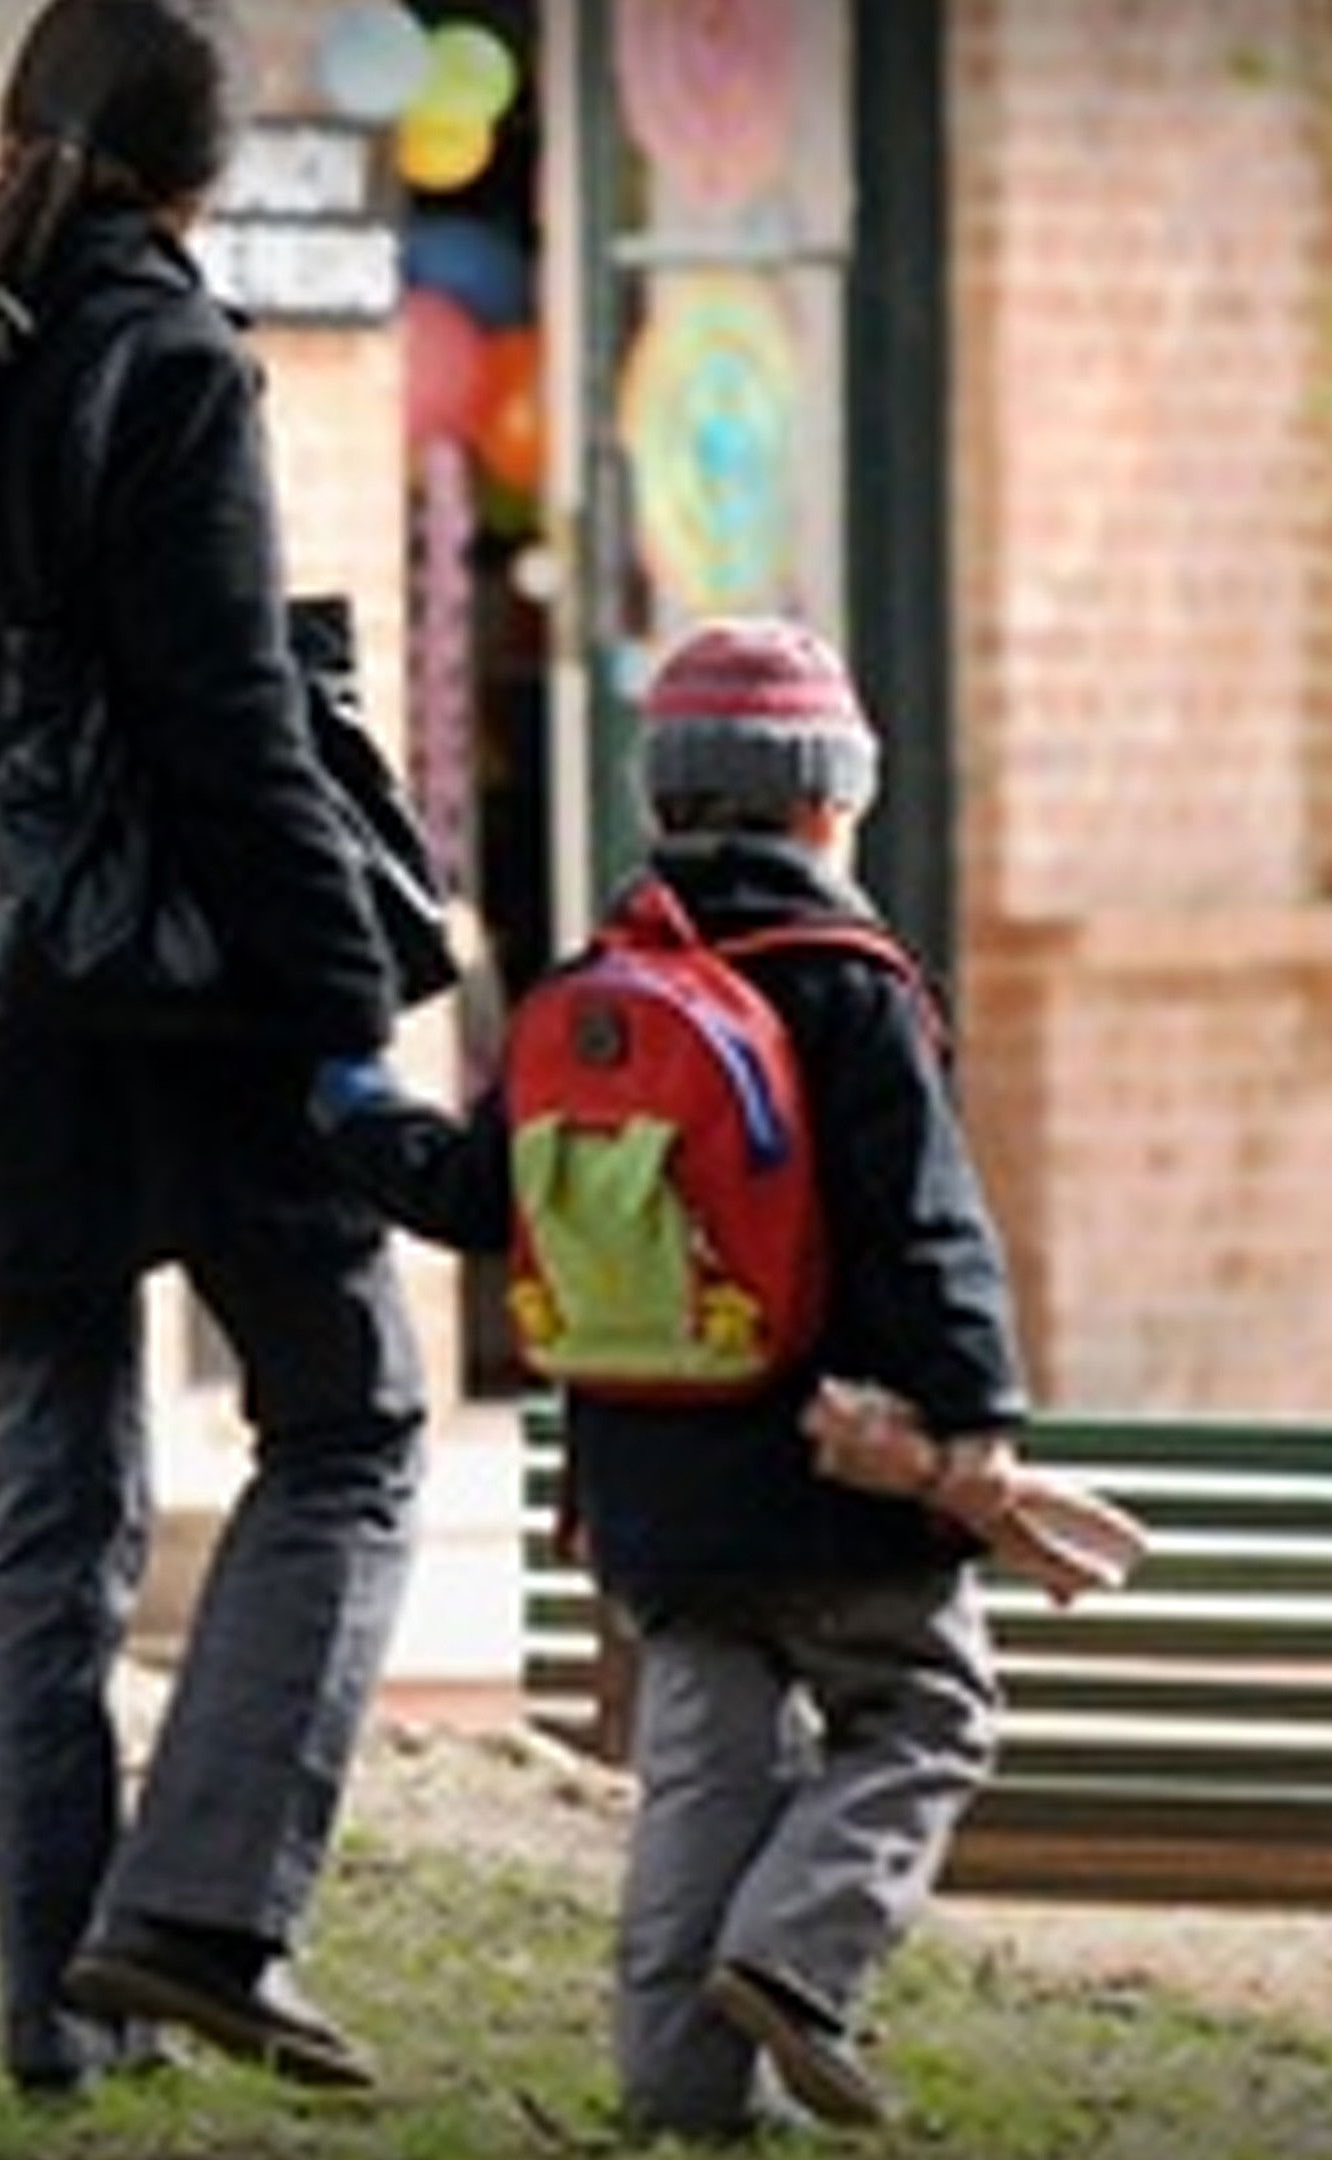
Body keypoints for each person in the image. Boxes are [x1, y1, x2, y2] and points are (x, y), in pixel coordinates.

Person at [0, 0, 424, 2105]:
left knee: (47, 1493)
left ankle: (58, 2019)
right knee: (352, 1421)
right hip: (197, 1004)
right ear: (207, 171)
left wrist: (7, 832)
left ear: (15, 122)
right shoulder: (170, 359)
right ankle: (202, 1912)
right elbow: (233, 732)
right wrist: (346, 1010)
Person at [311, 616, 1035, 2136]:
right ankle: (798, 1958)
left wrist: (360, 1112)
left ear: (665, 801)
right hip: (835, 1472)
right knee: (927, 1714)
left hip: (651, 1487)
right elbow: (923, 1223)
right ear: (828, 805)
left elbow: (477, 1200)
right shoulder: (851, 983)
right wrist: (977, 1416)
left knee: (703, 1775)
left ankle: (678, 2091)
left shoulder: (593, 992)